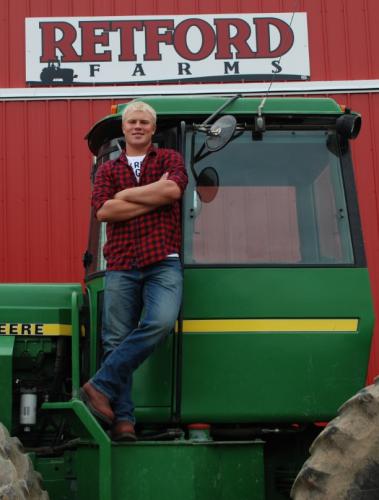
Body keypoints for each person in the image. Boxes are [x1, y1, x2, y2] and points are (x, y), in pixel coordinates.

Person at [80, 101, 188, 441]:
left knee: (159, 322)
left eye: (144, 121)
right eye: (132, 122)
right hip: (123, 263)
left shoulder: (169, 160)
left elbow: (173, 189)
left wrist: (126, 195)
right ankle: (123, 420)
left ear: (152, 129)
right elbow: (104, 211)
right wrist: (150, 196)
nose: (138, 126)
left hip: (163, 261)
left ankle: (100, 385)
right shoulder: (108, 170)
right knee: (115, 340)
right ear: (124, 129)